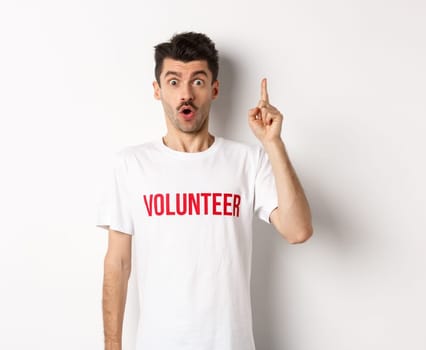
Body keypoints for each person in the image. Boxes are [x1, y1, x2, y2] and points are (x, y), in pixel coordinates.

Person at [96, 32, 313, 350]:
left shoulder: (247, 160)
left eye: (197, 82)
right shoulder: (131, 164)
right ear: (157, 91)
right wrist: (112, 346)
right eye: (173, 82)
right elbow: (118, 263)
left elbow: (298, 230)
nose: (186, 94)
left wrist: (273, 144)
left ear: (214, 89)